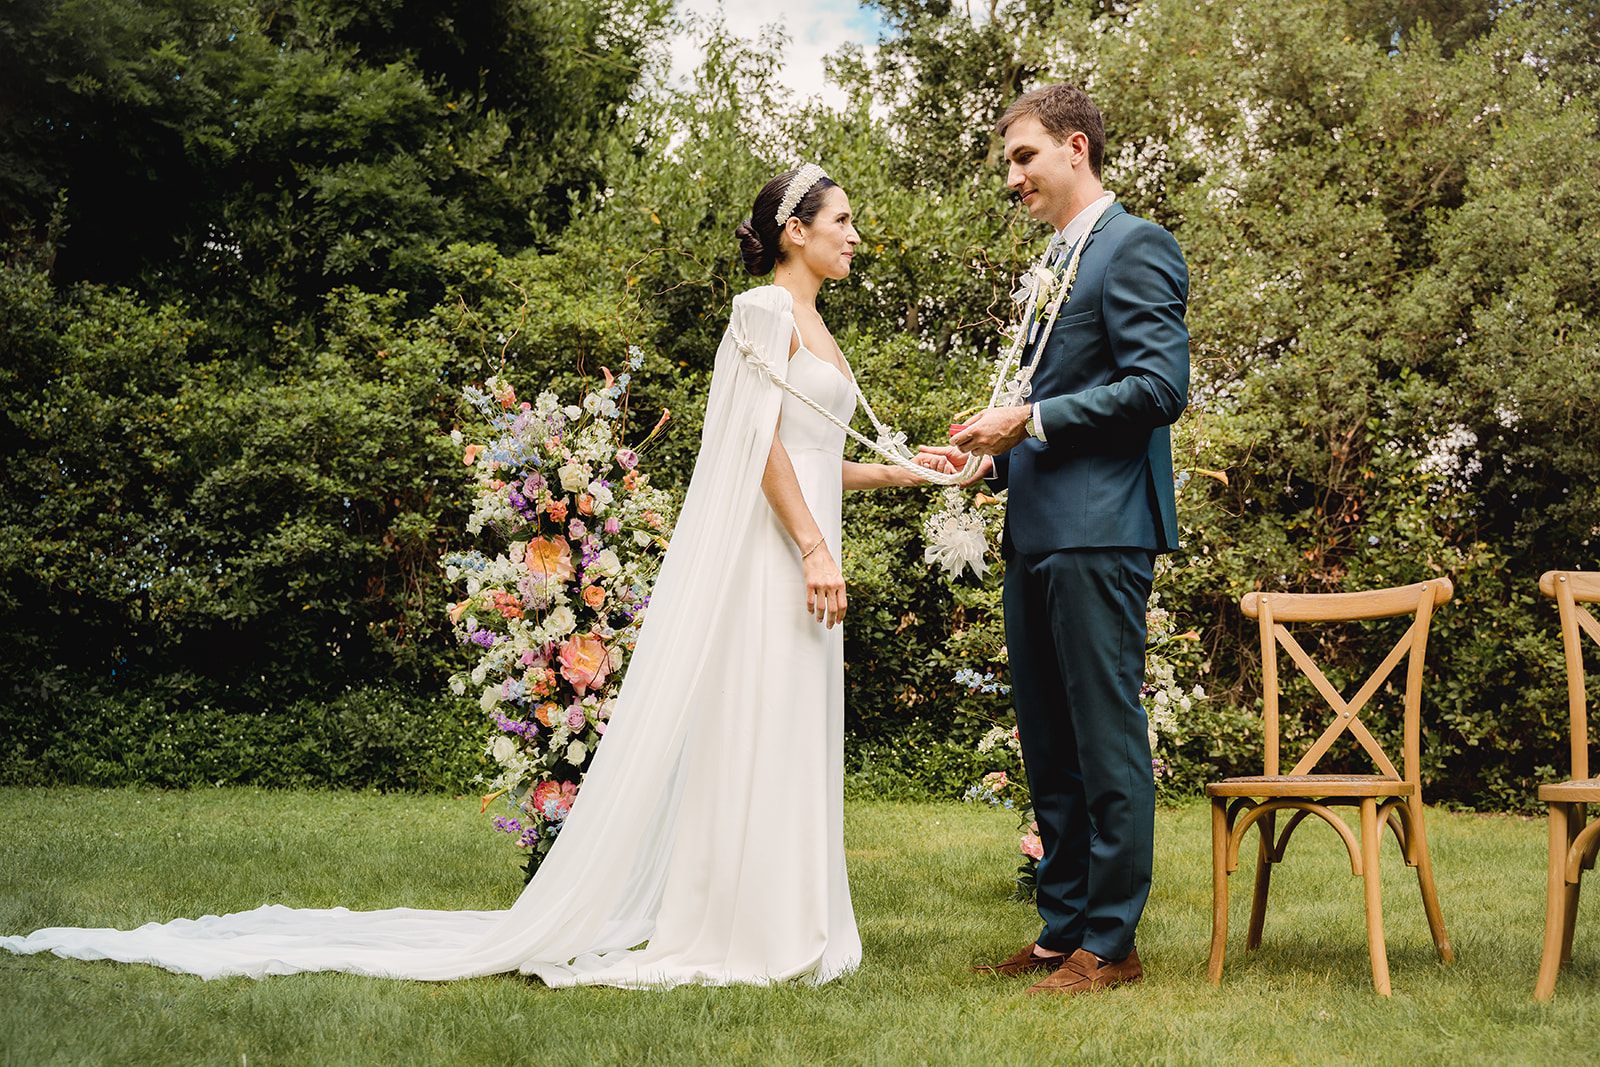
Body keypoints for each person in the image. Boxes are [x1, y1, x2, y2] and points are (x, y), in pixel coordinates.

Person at [2, 166, 945, 987]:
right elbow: (757, 449)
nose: (856, 237)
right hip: (776, 557)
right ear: (795, 231)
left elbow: (818, 455)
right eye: (844, 222)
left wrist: (909, 470)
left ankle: (793, 917)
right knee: (761, 717)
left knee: (794, 720)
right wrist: (817, 548)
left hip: (806, 542)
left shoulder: (816, 322)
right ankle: (746, 925)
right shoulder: (764, 311)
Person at [923, 84, 1190, 994]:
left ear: (1076, 148)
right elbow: (1044, 411)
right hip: (1034, 528)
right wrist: (984, 460)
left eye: (1023, 157)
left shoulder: (1136, 247)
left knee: (1103, 736)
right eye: (1008, 161)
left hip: (1102, 528)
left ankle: (1111, 945)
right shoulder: (1052, 262)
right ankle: (1060, 928)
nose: (1013, 176)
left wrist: (1028, 420)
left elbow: (1160, 389)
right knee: (1047, 740)